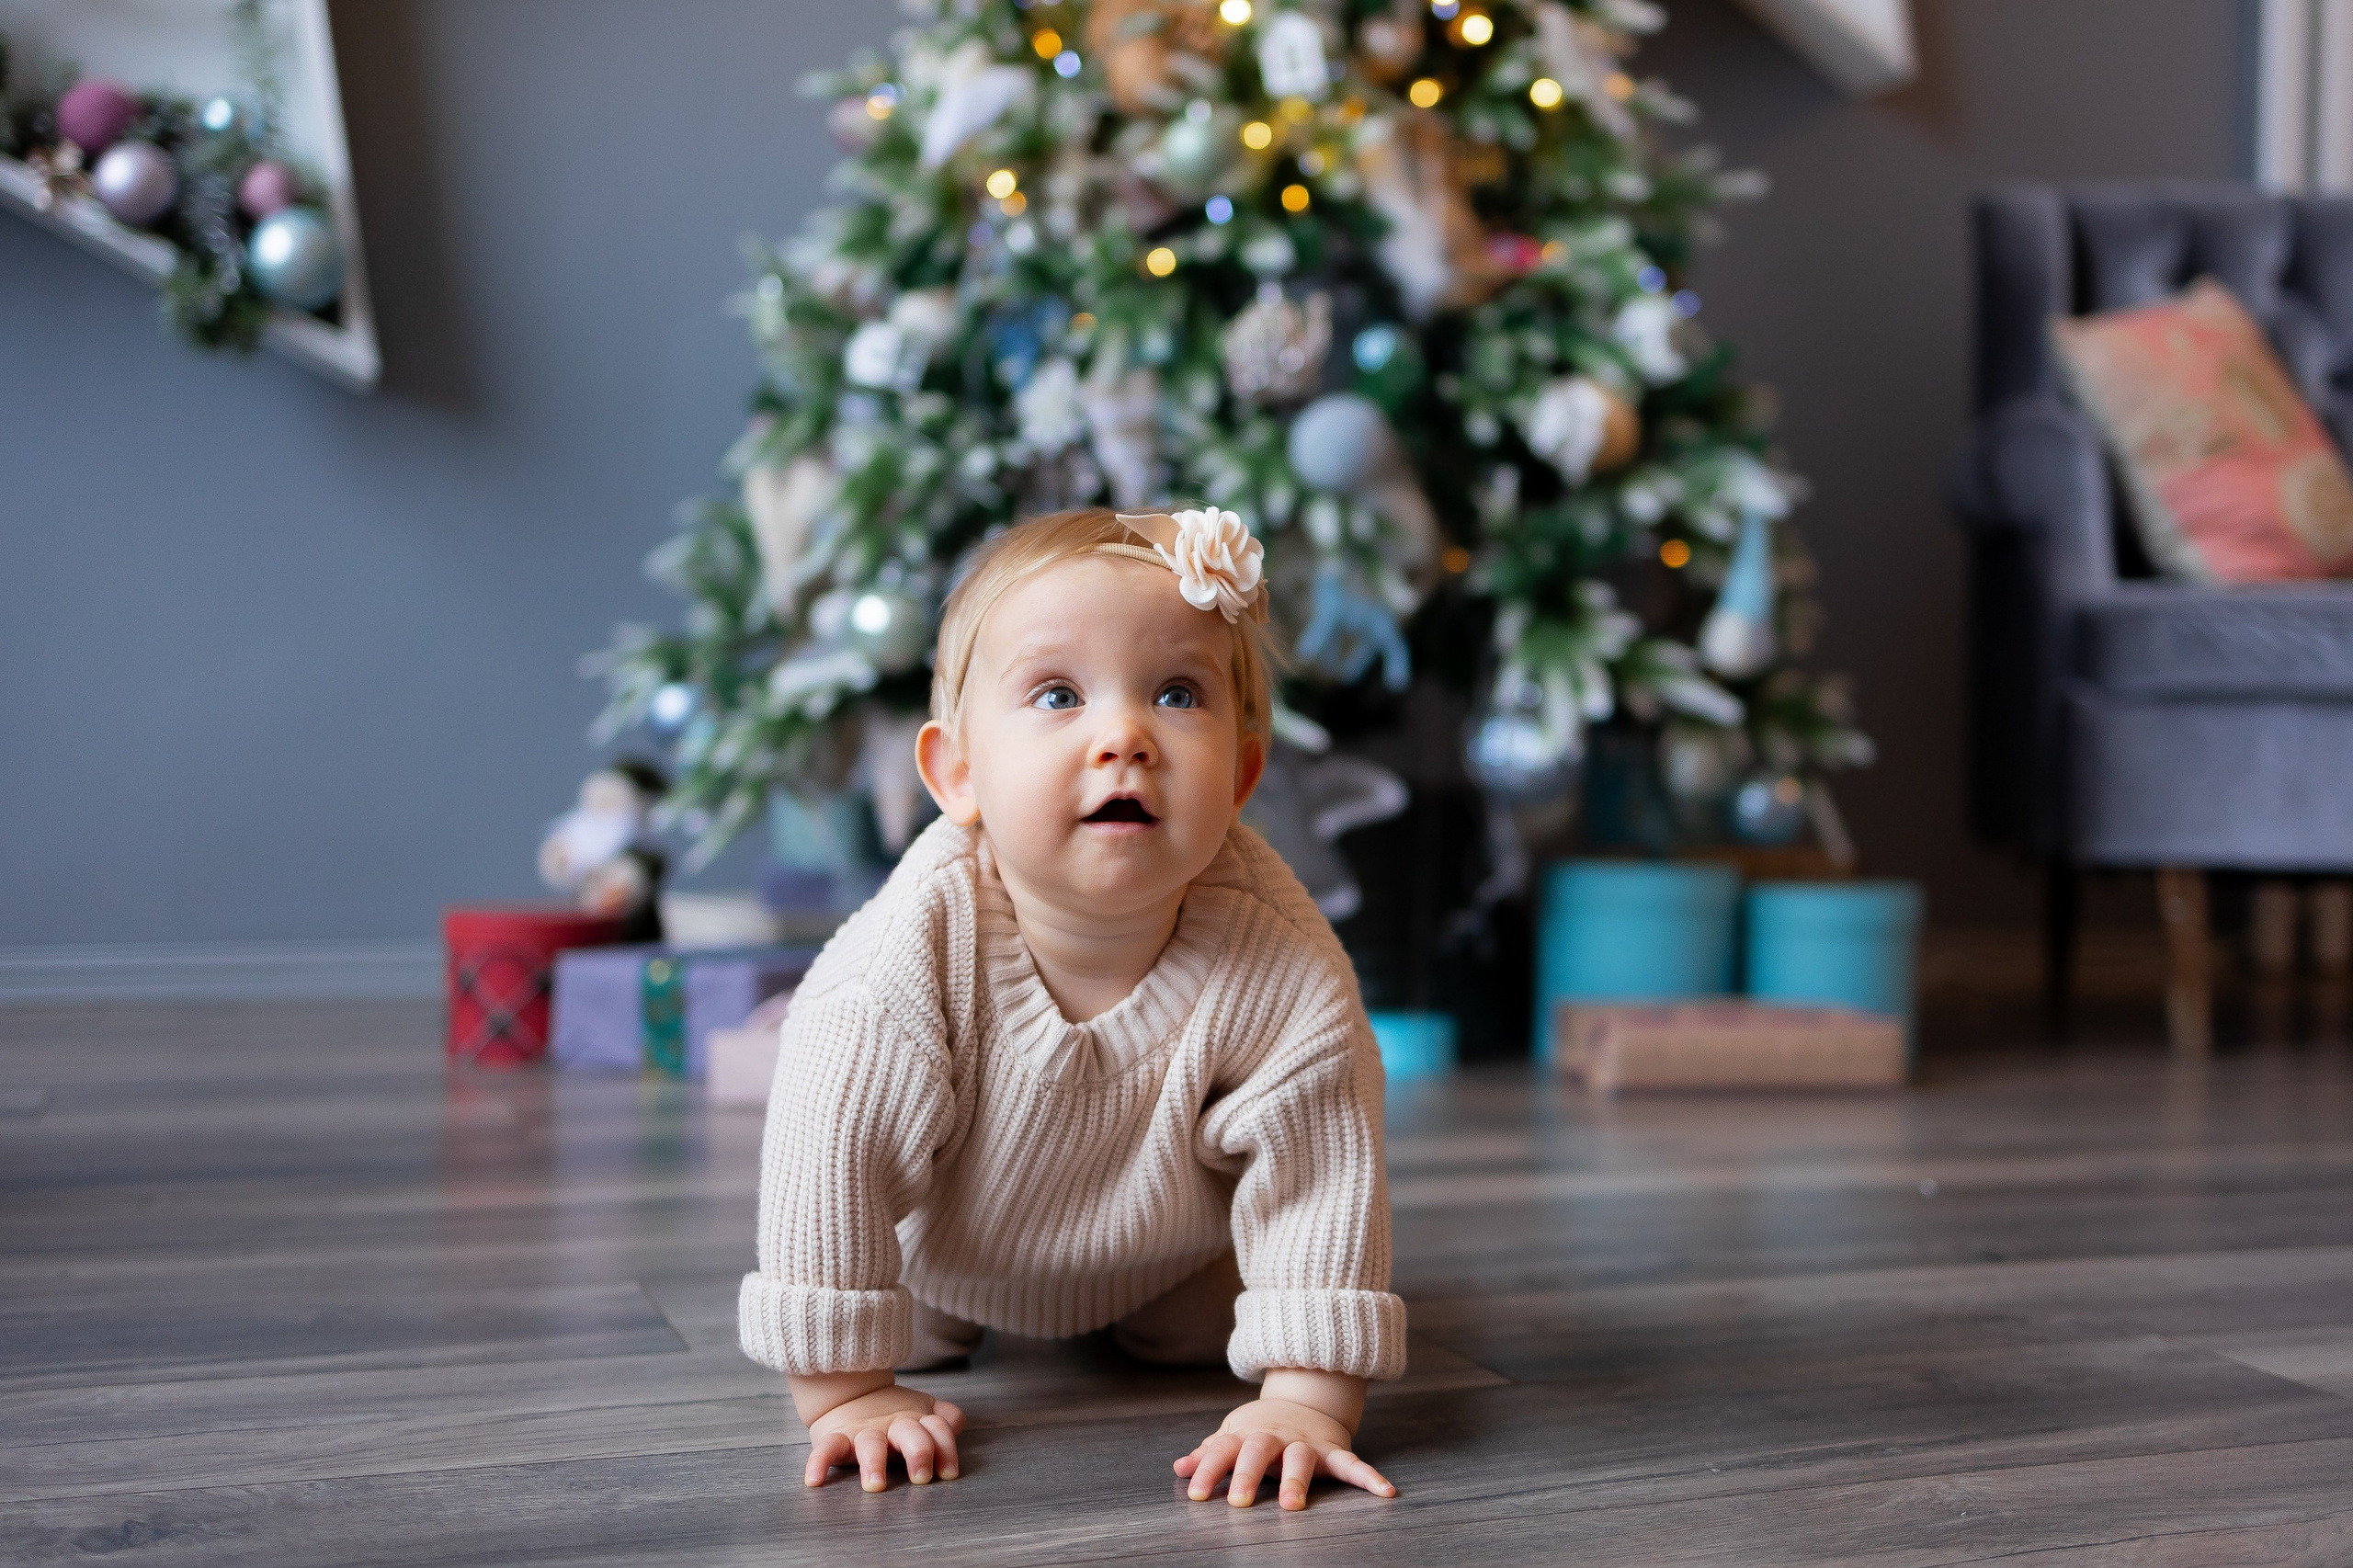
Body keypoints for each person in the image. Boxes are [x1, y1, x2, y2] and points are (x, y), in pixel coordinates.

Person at [738, 506, 1405, 1512]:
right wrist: (847, 1392)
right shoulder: (896, 967)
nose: (1124, 735)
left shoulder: (1285, 965)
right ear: (956, 773)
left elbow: (1321, 1169)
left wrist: (1306, 1400)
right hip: (939, 1266)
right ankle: (912, 1342)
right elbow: (826, 1161)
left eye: (1178, 693)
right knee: (896, 1333)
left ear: (1243, 775)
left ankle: (1178, 1324)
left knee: (1209, 1337)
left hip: (1166, 1258)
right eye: (1057, 694)